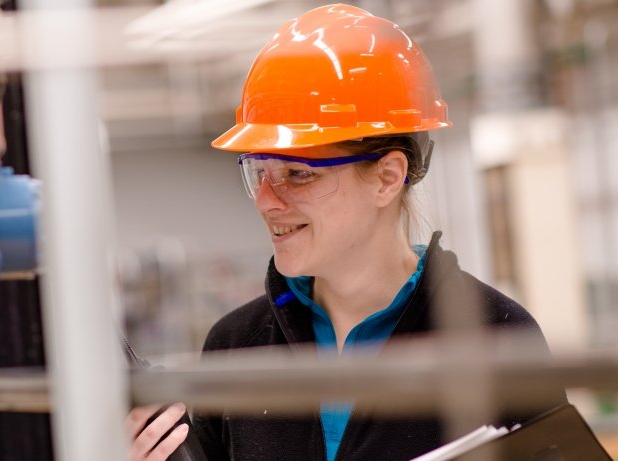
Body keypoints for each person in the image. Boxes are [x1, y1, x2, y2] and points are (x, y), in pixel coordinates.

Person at [127, 4, 565, 461]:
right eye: (259, 171)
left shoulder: (496, 336)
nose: (265, 200)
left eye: (297, 174)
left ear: (387, 178)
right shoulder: (238, 344)